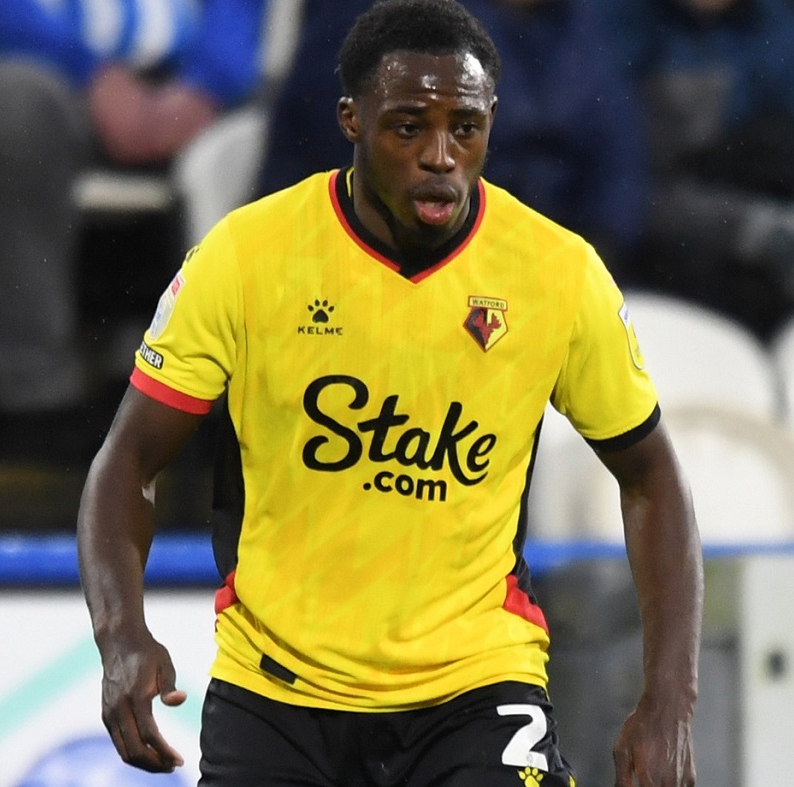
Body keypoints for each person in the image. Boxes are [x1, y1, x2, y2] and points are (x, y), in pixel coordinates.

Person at [77, 1, 703, 785]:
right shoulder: (247, 256)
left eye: (465, 129)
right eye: (408, 128)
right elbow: (128, 462)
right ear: (351, 119)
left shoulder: (557, 274)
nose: (440, 156)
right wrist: (121, 635)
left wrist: (669, 699)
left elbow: (651, 476)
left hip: (475, 689)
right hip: (276, 693)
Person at [0, 0, 265, 461]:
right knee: (17, 108)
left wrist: (207, 87)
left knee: (285, 123)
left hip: (183, 84)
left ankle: (225, 402)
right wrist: (92, 76)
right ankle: (34, 405)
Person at [255, 0, 648, 274]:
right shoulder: (390, 20)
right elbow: (345, 147)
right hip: (389, 252)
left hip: (540, 246)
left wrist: (598, 251)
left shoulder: (580, 24)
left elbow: (617, 151)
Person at [593, 0, 794, 337]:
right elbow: (621, 187)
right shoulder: (612, 24)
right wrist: (748, 227)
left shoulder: (773, 23)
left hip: (760, 251)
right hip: (651, 262)